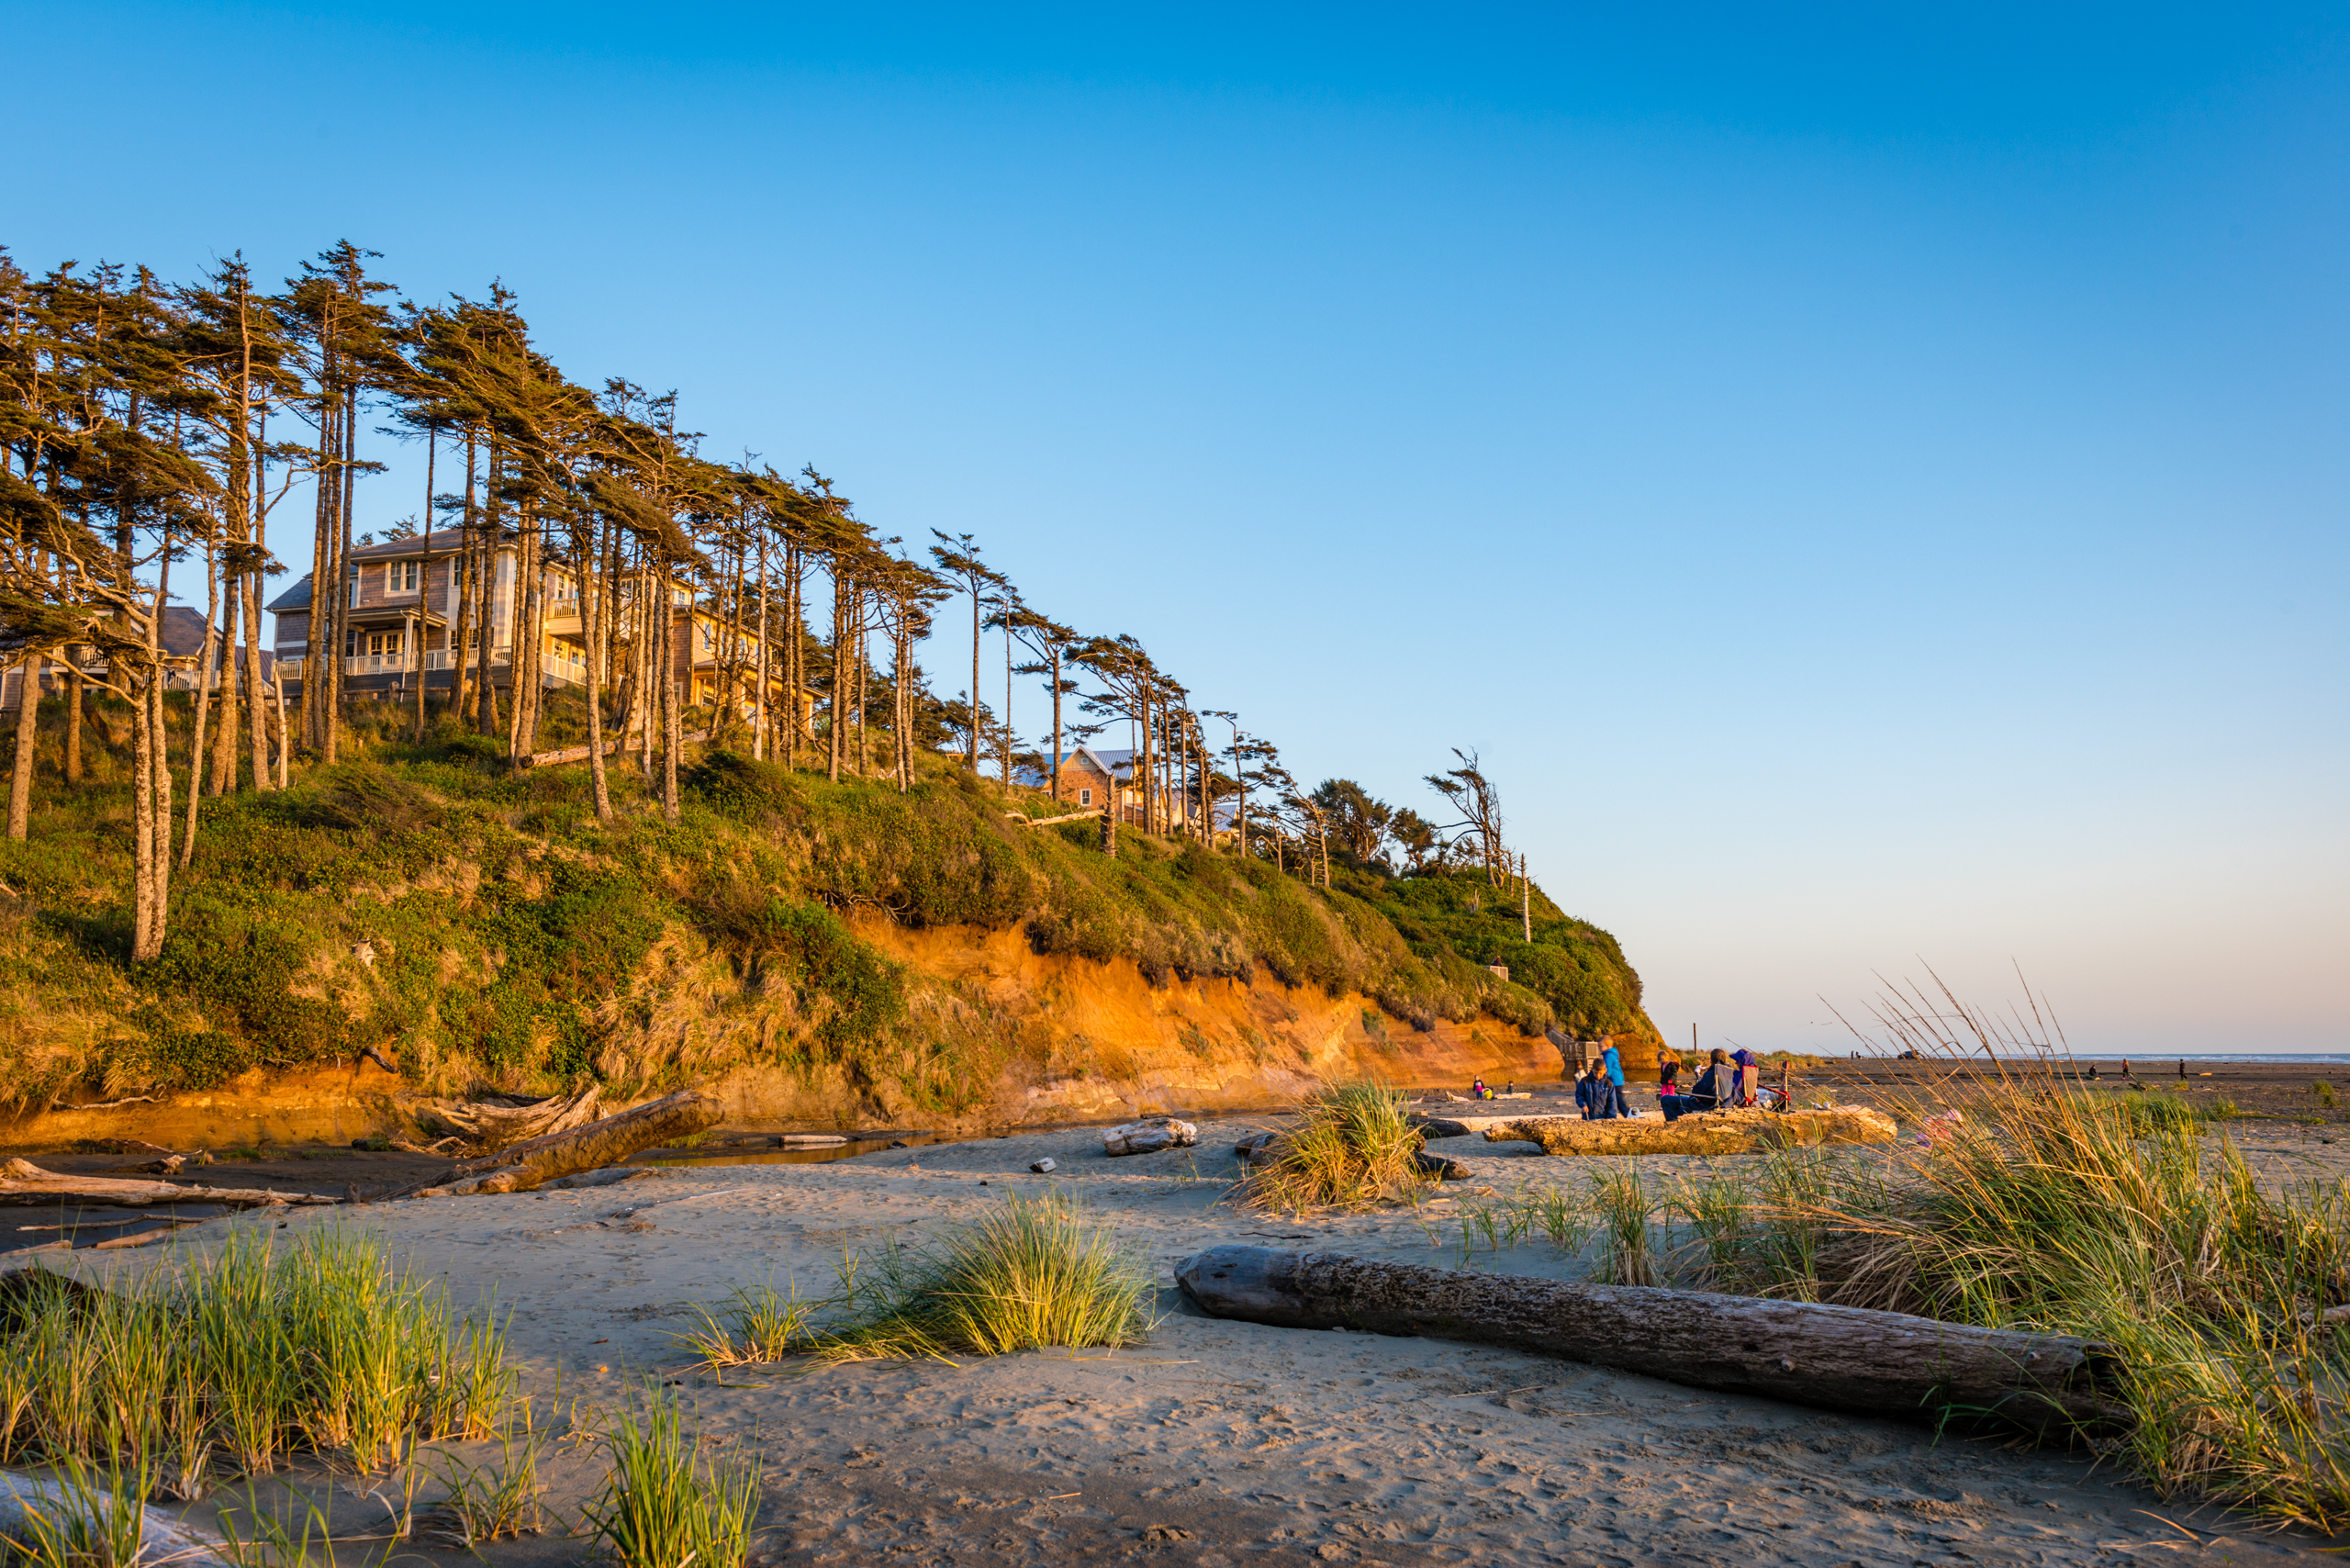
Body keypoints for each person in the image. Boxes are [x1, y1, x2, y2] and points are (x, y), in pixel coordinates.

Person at [1687, 1048, 1735, 1112]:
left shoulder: (1713, 1073)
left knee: (1669, 1099)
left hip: (1707, 1105)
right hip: (1725, 1103)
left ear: (1711, 1061)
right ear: (1725, 1060)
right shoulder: (1729, 1072)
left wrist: (1699, 1097)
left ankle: (1674, 1120)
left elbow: (1697, 1090)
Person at [1601, 1040, 1629, 1119]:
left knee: (1619, 1102)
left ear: (1607, 1046)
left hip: (1615, 1082)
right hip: (1616, 1081)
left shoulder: (1609, 1056)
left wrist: (1601, 1079)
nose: (1599, 1048)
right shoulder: (1610, 1054)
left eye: (1600, 1046)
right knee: (1611, 1100)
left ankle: (1630, 1116)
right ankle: (1608, 1116)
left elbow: (1607, 1071)